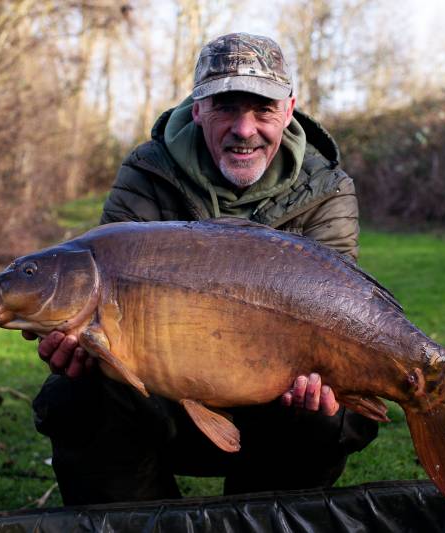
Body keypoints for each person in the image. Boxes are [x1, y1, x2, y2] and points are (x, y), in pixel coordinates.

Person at [25, 32, 378, 505]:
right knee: (75, 393)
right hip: (164, 397)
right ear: (197, 109)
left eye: (263, 111)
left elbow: (339, 306)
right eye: (226, 108)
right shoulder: (147, 175)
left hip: (275, 400)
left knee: (326, 410)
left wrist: (333, 375)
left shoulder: (326, 190)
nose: (244, 129)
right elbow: (101, 299)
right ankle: (138, 517)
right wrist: (80, 343)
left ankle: (259, 513)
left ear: (289, 110)